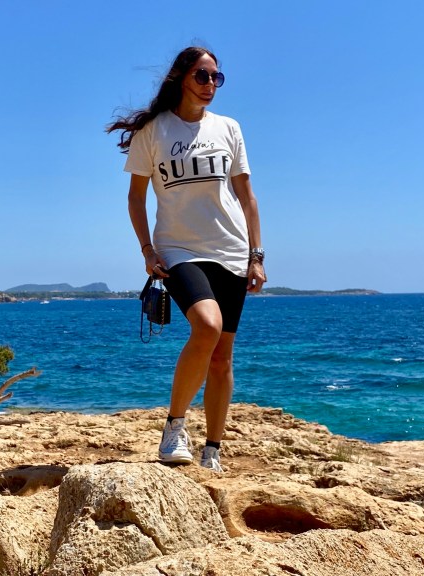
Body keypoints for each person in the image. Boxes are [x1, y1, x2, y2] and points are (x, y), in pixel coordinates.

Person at [107, 46, 266, 473]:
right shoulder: (153, 131)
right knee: (207, 326)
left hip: (231, 251)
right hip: (178, 250)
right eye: (202, 75)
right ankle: (174, 427)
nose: (210, 84)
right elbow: (136, 198)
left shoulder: (229, 128)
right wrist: (147, 250)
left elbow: (247, 196)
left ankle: (213, 450)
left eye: (217, 77)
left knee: (222, 356)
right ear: (181, 77)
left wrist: (256, 255)